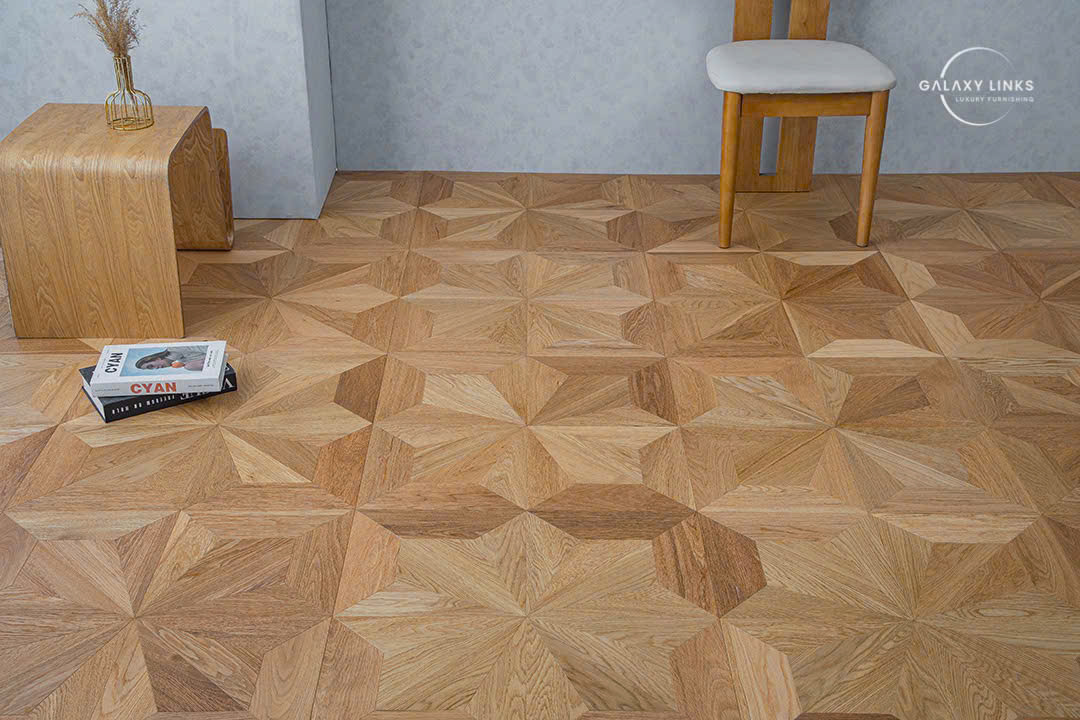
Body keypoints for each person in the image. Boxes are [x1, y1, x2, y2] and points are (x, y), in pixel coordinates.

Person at [133, 346, 207, 372]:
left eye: (151, 366)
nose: (156, 368)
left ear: (156, 359)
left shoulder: (175, 348)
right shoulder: (184, 362)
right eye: (151, 369)